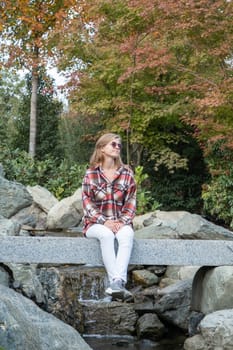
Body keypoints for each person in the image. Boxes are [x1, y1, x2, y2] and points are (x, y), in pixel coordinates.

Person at [82, 133, 136, 300]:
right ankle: (117, 282)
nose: (117, 147)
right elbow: (87, 203)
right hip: (95, 224)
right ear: (102, 148)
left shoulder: (127, 173)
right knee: (106, 235)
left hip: (120, 223)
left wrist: (121, 222)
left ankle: (116, 283)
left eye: (119, 145)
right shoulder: (91, 174)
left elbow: (131, 202)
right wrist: (105, 222)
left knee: (127, 235)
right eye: (113, 144)